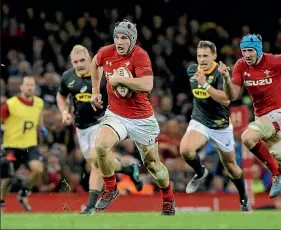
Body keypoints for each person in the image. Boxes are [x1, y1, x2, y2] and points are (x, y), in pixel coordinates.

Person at [90, 19, 175, 215]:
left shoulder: (140, 55)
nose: (119, 41)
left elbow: (147, 85)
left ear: (133, 40)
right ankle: (111, 188)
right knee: (101, 147)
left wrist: (121, 80)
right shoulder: (106, 52)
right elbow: (95, 63)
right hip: (116, 114)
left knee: (152, 164)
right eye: (117, 37)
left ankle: (168, 198)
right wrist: (95, 90)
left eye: (124, 38)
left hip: (141, 119)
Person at [56, 45, 143, 214]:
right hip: (82, 128)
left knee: (96, 162)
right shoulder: (68, 77)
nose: (79, 64)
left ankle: (89, 206)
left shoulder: (102, 76)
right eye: (75, 62)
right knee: (98, 164)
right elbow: (61, 95)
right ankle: (128, 169)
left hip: (103, 123)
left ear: (90, 59)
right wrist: (64, 111)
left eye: (83, 60)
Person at [180, 40, 251, 211]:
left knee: (231, 167)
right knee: (185, 150)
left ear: (214, 56)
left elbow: (226, 99)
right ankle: (200, 172)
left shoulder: (221, 74)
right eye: (199, 56)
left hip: (220, 126)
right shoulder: (192, 70)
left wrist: (205, 84)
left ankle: (244, 200)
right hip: (200, 121)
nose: (202, 60)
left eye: (206, 56)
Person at [220, 33, 281, 198]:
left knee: (248, 137)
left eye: (250, 51)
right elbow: (233, 96)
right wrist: (226, 78)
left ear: (259, 50)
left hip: (278, 113)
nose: (247, 55)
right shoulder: (241, 65)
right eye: (244, 51)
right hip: (262, 119)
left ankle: (276, 175)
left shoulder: (275, 61)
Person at [0, 76, 48, 211]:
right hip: (11, 146)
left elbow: (39, 120)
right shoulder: (10, 104)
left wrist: (42, 128)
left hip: (30, 145)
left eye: (32, 85)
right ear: (21, 87)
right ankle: (1, 203)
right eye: (27, 85)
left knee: (39, 170)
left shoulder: (39, 102)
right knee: (6, 179)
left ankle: (23, 192)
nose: (30, 87)